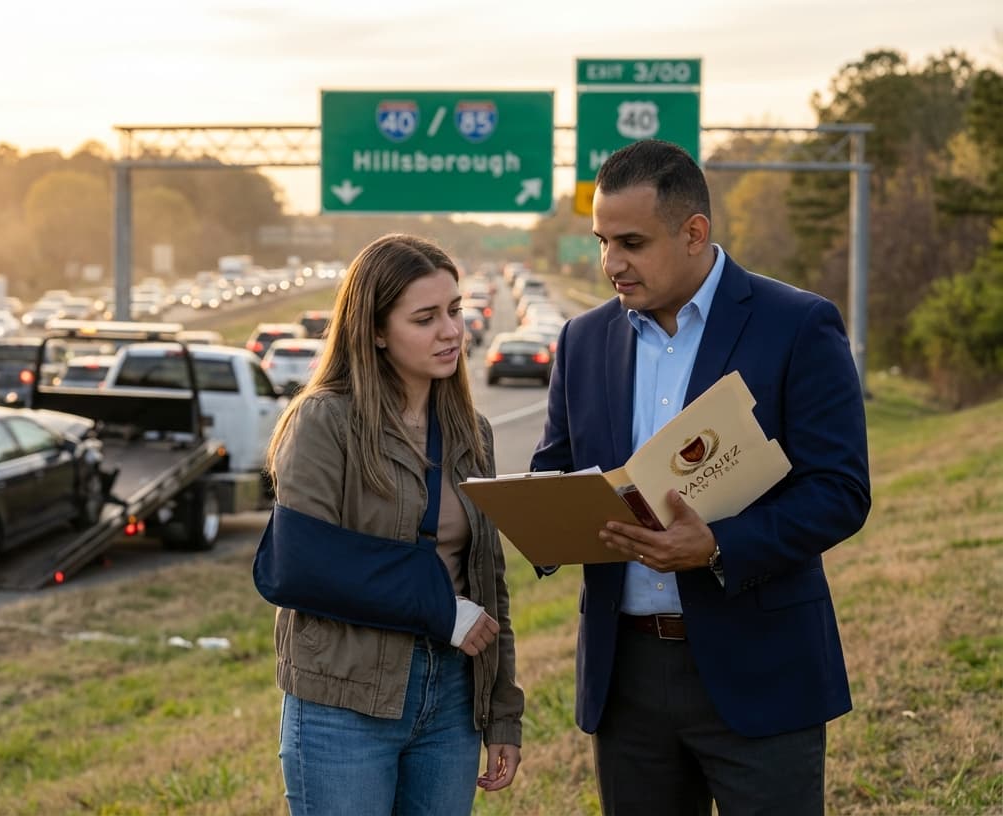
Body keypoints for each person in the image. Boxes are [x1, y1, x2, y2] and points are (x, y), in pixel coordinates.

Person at [531, 139, 871, 815]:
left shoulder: (798, 326)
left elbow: (840, 491)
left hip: (762, 668)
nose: (610, 263)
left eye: (630, 242)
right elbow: (556, 466)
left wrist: (717, 546)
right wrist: (542, 515)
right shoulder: (582, 339)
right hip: (625, 678)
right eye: (601, 241)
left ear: (694, 233)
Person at [263, 233, 523, 815]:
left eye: (454, 310)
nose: (451, 330)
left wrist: (503, 711)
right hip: (344, 702)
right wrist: (440, 610)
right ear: (376, 331)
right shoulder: (323, 422)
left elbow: (489, 580)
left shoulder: (470, 432)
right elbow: (301, 566)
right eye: (425, 318)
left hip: (452, 699)